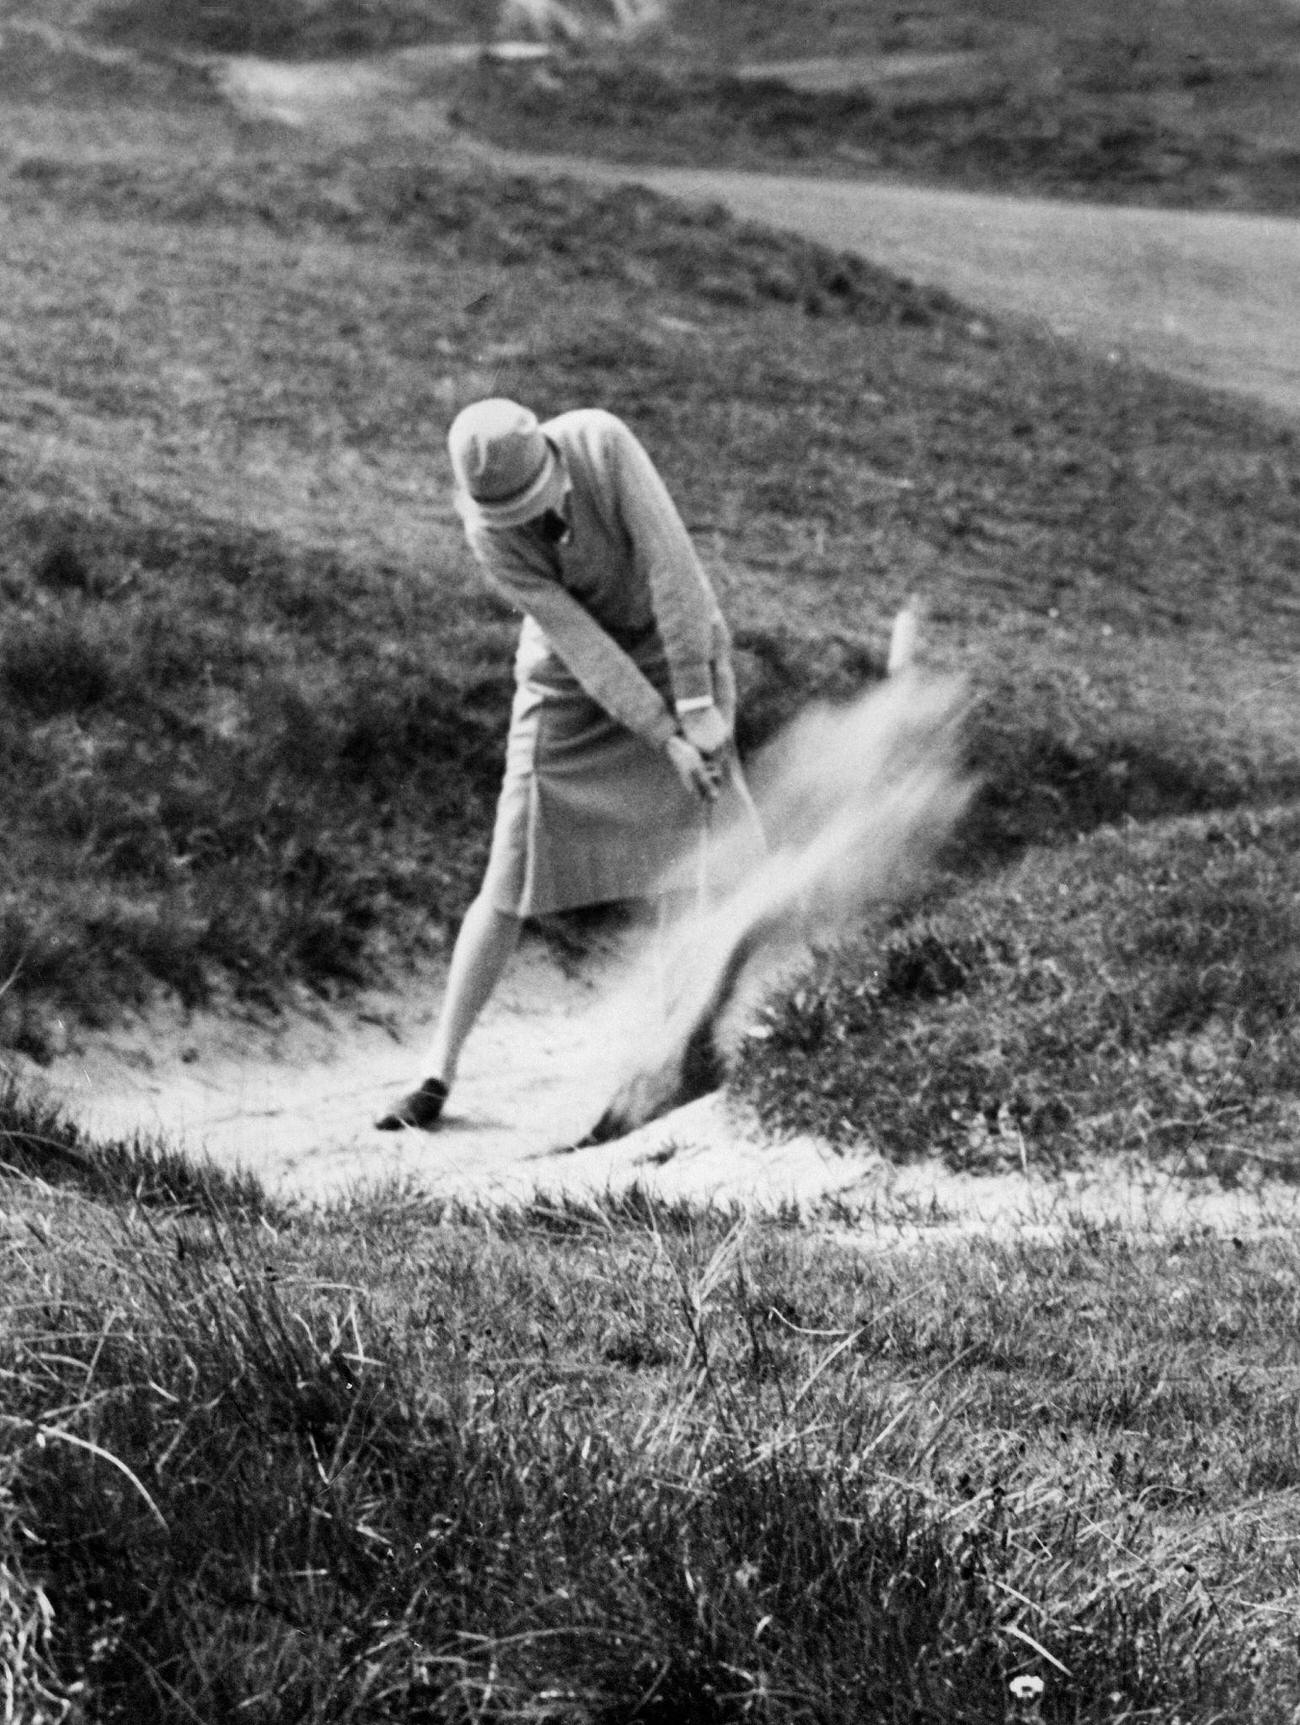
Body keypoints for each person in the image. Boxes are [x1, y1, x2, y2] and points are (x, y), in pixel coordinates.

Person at [376, 397, 756, 1131]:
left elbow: (674, 572)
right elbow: (577, 639)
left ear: (552, 455)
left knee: (716, 847)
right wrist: (661, 734)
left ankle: (688, 1040)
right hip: (569, 683)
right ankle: (435, 1073)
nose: (527, 517)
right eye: (507, 510)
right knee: (510, 870)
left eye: (533, 497)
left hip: (674, 649)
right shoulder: (491, 535)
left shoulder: (603, 442)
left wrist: (696, 706)